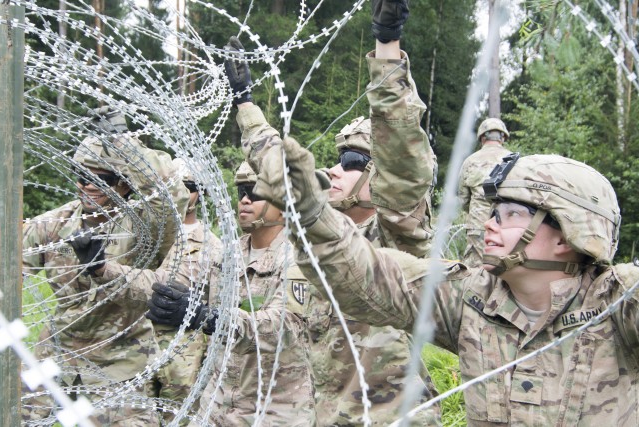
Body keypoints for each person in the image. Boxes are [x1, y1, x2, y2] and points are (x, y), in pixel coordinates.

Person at [252, 136, 638, 426]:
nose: (489, 224)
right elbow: (366, 276)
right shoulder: (470, 300)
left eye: (511, 213)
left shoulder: (618, 304)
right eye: (493, 211)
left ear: (566, 233)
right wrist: (310, 209)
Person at [237, 0, 440, 422]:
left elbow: (401, 153)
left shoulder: (395, 240)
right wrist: (246, 105)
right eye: (337, 160)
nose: (335, 169)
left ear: (378, 176)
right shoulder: (315, 244)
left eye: (351, 163)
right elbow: (281, 170)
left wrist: (387, 46)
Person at [22, 109, 189, 425]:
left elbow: (169, 197)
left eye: (102, 179)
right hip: (58, 349)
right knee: (12, 410)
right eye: (81, 176)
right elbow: (13, 265)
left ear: (125, 185)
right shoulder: (56, 225)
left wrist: (124, 144)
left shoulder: (143, 229)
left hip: (120, 357)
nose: (87, 186)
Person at [147, 161, 316, 426]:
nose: (245, 200)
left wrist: (210, 318)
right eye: (241, 193)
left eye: (256, 192)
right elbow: (169, 285)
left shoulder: (301, 258)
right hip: (217, 405)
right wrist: (102, 270)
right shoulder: (227, 254)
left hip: (273, 410)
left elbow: (286, 326)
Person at [79, 157, 222, 423]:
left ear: (199, 194)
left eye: (188, 186)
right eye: (176, 185)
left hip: (180, 364)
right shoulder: (138, 231)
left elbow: (212, 308)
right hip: (130, 352)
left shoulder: (211, 246)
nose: (181, 193)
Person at [458, 117, 512, 267]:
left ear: (482, 137)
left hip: (478, 225)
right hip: (506, 224)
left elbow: (463, 199)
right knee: (504, 268)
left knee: (476, 271)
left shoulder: (470, 161)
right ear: (503, 137)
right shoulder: (512, 160)